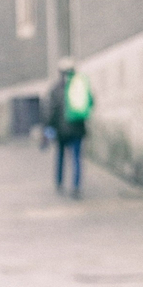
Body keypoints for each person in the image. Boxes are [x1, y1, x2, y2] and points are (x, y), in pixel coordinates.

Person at [46, 60, 92, 196]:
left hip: (61, 130)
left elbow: (50, 110)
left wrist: (49, 127)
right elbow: (91, 102)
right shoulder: (80, 86)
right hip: (77, 128)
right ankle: (76, 186)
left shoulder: (55, 88)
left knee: (60, 157)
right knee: (76, 158)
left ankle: (59, 183)